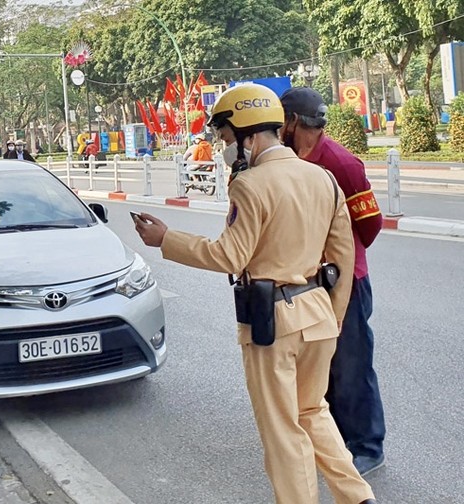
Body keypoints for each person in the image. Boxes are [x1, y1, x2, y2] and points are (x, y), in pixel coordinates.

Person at [133, 84, 376, 504]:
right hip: (319, 317)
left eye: (226, 138)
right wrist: (333, 316)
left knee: (283, 430)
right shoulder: (322, 178)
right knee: (313, 412)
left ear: (248, 135)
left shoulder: (250, 186)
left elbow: (230, 255)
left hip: (273, 323)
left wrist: (166, 239)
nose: (225, 148)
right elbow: (343, 254)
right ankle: (359, 497)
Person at [280, 86, 386, 476]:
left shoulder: (341, 164)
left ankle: (367, 445)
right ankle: (331, 439)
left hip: (346, 282)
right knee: (316, 366)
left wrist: (342, 257)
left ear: (292, 123)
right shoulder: (284, 160)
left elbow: (370, 224)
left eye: (281, 125)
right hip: (304, 280)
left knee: (351, 366)